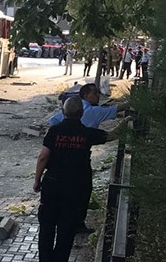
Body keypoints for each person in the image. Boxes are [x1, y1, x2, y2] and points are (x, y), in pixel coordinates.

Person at [35, 98, 131, 262]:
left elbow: (43, 157)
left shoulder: (54, 131)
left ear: (63, 112)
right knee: (67, 227)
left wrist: (37, 180)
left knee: (46, 226)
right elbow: (112, 135)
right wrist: (126, 121)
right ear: (81, 114)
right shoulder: (87, 133)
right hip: (76, 186)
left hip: (53, 184)